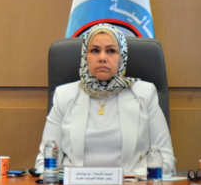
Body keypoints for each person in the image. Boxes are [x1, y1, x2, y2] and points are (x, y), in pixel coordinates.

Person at [35, 23, 175, 175]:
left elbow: (165, 159)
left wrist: (129, 179)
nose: (102, 58)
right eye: (95, 50)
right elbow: (44, 162)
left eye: (111, 51)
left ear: (122, 57)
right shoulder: (64, 95)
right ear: (85, 55)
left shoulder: (144, 93)